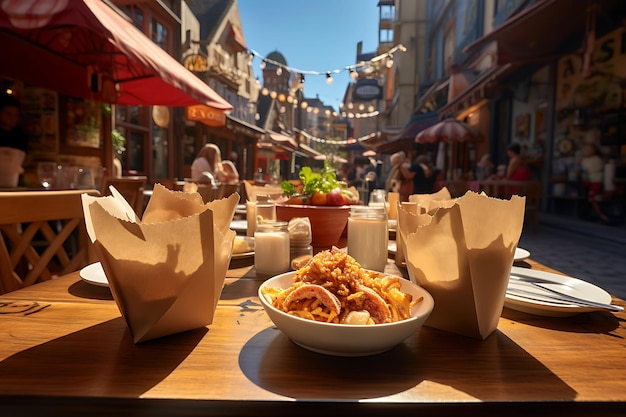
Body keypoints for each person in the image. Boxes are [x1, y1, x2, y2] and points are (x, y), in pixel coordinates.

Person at [580, 143, 610, 223]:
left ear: (594, 151)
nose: (586, 151)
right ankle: (592, 214)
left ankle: (601, 215)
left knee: (594, 198)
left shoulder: (596, 159)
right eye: (586, 150)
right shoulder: (586, 159)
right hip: (588, 182)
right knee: (590, 199)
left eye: (588, 150)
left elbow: (587, 168)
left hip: (595, 182)